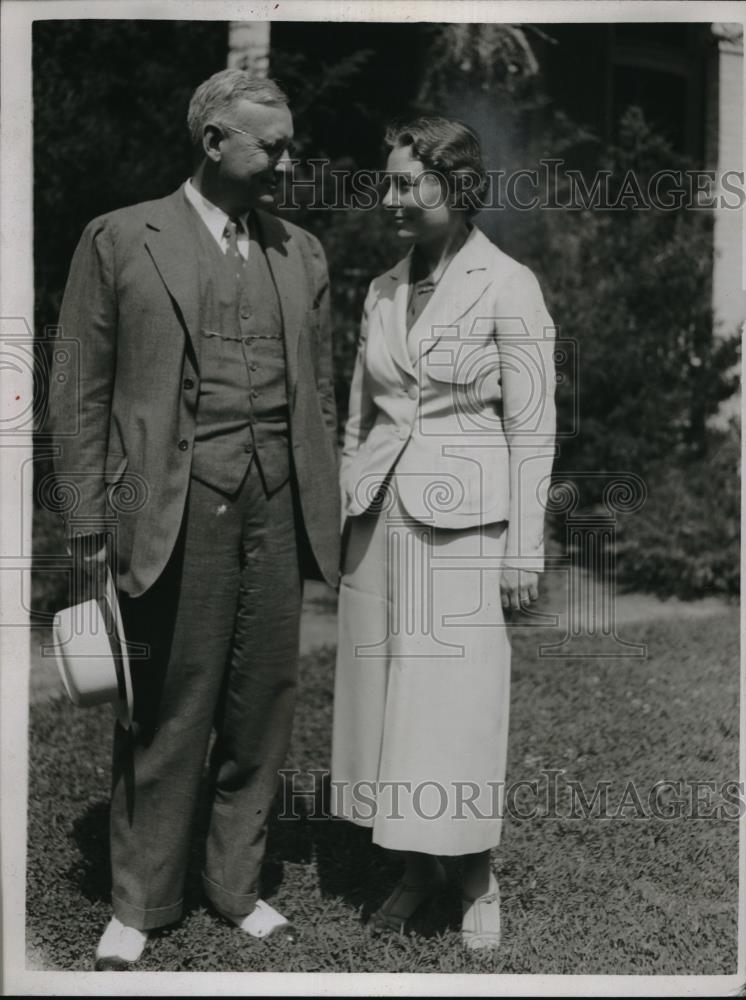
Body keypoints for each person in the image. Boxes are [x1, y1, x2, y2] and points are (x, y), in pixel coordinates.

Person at [48, 69, 340, 969]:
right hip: (172, 509)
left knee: (261, 705)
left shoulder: (302, 253)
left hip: (277, 507)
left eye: (289, 146)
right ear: (214, 141)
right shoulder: (120, 237)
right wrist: (87, 520)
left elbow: (320, 394)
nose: (288, 163)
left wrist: (325, 500)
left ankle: (234, 885)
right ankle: (141, 900)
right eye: (271, 147)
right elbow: (78, 389)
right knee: (166, 708)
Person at [331, 116, 556, 951]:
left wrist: (524, 547)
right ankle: (416, 867)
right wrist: (345, 509)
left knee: (457, 703)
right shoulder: (382, 288)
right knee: (387, 699)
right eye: (386, 182)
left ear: (453, 186)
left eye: (405, 182)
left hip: (467, 526)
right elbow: (358, 417)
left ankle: (476, 876)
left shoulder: (509, 284)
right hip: (378, 518)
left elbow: (533, 426)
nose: (388, 197)